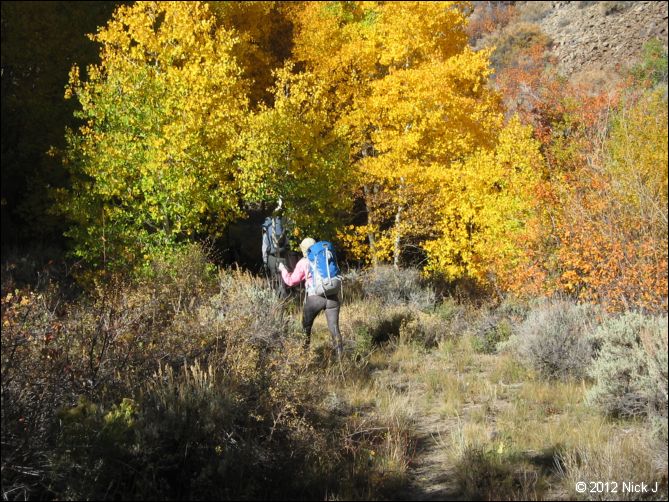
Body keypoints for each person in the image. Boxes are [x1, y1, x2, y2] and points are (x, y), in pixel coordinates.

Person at [278, 237, 344, 357]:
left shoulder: (304, 262)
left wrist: (283, 270)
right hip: (332, 296)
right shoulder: (325, 256)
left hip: (315, 298)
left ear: (303, 249)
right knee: (334, 329)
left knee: (305, 327)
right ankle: (341, 359)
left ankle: (304, 355)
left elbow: (291, 281)